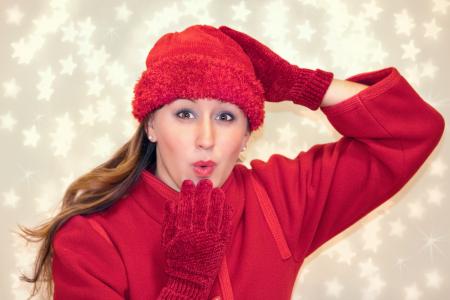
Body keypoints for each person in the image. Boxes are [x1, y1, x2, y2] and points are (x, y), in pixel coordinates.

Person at [18, 24, 445, 300]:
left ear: (246, 134)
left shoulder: (281, 198)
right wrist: (186, 286)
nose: (206, 139)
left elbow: (411, 132)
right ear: (150, 125)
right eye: (184, 114)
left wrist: (303, 85)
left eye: (226, 116)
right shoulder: (91, 238)